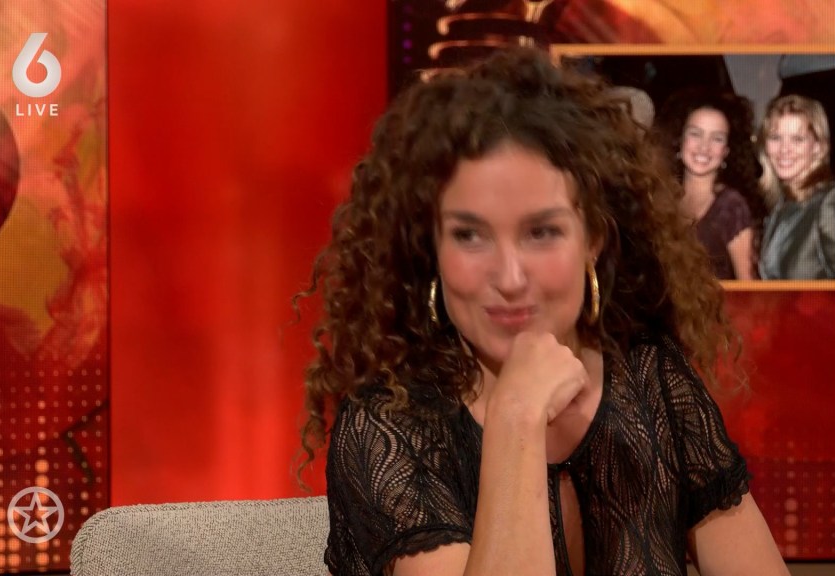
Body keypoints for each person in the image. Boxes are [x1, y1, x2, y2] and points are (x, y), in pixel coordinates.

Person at [297, 48, 789, 576]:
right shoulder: (388, 425)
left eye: (542, 232)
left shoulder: (651, 377)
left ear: (592, 240)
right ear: (431, 249)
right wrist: (517, 416)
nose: (510, 278)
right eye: (469, 235)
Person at [653, 89, 766, 280]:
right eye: (695, 134)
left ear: (726, 151)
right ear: (679, 140)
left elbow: (749, 287)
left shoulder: (731, 207)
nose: (704, 146)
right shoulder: (664, 199)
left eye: (717, 138)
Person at [757, 94, 835, 280]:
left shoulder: (831, 202)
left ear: (818, 147)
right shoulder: (782, 205)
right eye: (775, 137)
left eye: (797, 139)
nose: (784, 149)